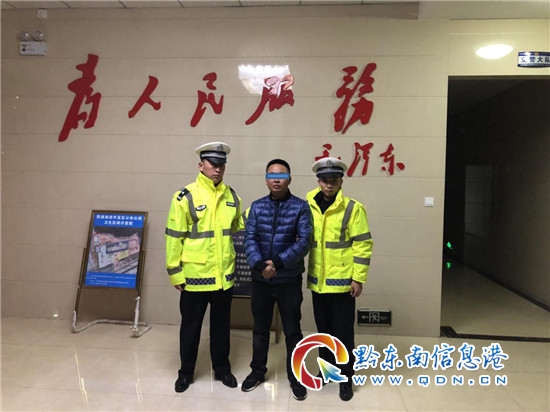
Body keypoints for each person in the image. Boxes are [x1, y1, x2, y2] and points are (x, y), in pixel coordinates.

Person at [165, 141, 244, 393]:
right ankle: (185, 373)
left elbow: (239, 228)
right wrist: (175, 272)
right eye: (213, 164)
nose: (217, 169)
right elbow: (174, 237)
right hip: (195, 277)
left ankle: (222, 370)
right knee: (191, 328)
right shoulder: (185, 197)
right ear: (201, 165)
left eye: (222, 165)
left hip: (223, 278)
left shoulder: (232, 196)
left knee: (221, 328)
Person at [242, 159, 313, 401]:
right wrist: (261, 265)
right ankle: (257, 372)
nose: (276, 180)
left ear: (289, 179)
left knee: (293, 331)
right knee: (260, 329)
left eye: (281, 176)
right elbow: (249, 239)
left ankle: (296, 376)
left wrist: (278, 263)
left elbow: (304, 242)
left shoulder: (301, 208)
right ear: (265, 180)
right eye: (271, 175)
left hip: (288, 280)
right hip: (260, 280)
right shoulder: (256, 207)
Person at [306, 157, 373, 402]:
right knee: (323, 333)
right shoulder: (308, 205)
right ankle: (327, 372)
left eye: (333, 180)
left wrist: (358, 278)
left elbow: (363, 244)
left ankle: (346, 379)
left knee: (343, 334)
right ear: (318, 181)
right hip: (318, 283)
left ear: (341, 181)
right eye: (324, 180)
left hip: (343, 284)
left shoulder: (353, 208)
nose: (329, 185)